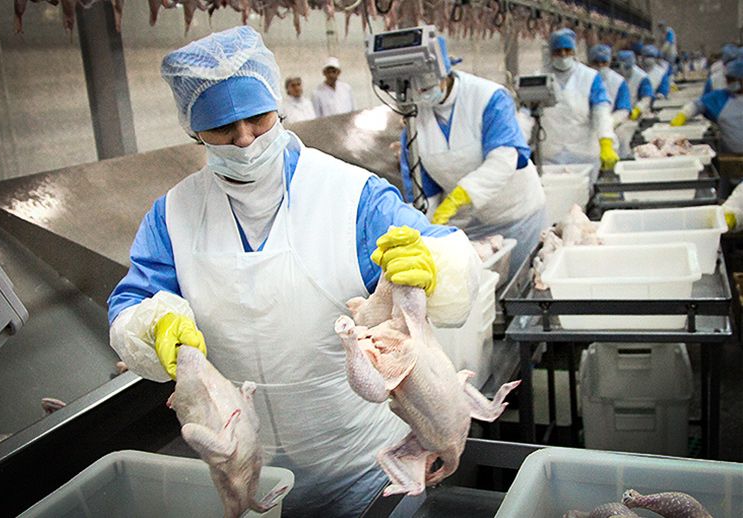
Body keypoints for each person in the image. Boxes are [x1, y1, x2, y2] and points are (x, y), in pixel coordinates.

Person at [107, 27, 481, 517]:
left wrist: (434, 266)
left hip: (365, 465)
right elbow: (130, 306)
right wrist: (151, 326)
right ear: (193, 131)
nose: (245, 141)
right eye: (223, 129)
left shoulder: (349, 195)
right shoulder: (173, 214)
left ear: (277, 106)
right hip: (247, 466)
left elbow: (452, 260)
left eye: (257, 119)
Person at [398, 35, 546, 277]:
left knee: (524, 284)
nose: (422, 93)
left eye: (426, 86)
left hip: (518, 213)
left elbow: (504, 158)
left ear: (445, 71)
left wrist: (460, 196)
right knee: (480, 287)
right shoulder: (414, 123)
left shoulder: (488, 97)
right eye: (416, 88)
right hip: (472, 223)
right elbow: (422, 190)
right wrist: (425, 230)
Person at [541, 29, 618, 174]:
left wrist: (606, 141)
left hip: (584, 154)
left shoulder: (590, 77)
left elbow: (601, 112)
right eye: (558, 51)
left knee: (583, 193)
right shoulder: (539, 77)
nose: (563, 55)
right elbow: (526, 115)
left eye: (567, 50)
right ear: (551, 53)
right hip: (550, 155)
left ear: (574, 51)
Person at [671, 56, 743, 154]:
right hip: (732, 154)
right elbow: (696, 106)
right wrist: (682, 115)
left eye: (732, 80)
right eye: (727, 79)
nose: (728, 83)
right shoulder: (721, 97)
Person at [589, 44, 632, 126]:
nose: (600, 66)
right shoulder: (582, 78)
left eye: (604, 62)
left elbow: (623, 109)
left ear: (609, 62)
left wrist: (608, 123)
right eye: (596, 63)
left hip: (610, 126)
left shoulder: (618, 81)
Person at [616, 50, 654, 121]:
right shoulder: (616, 75)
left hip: (638, 115)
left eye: (627, 67)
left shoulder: (642, 77)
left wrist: (637, 109)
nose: (623, 70)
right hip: (620, 114)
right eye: (620, 66)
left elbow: (646, 98)